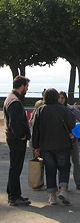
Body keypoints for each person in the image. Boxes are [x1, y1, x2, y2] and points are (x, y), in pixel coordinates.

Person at [32, 88, 76, 205]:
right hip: (63, 144)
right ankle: (63, 190)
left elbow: (35, 129)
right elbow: (72, 124)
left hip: (46, 146)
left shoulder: (40, 110)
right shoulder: (63, 109)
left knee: (50, 170)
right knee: (64, 168)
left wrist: (35, 146)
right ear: (57, 97)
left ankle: (52, 196)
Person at [3, 76, 32, 206]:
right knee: (15, 168)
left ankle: (14, 194)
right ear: (21, 86)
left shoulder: (10, 98)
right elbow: (14, 123)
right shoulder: (15, 102)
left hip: (12, 138)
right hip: (16, 140)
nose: (27, 88)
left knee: (14, 167)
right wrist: (21, 136)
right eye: (26, 86)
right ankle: (14, 197)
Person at [58, 91, 80, 190]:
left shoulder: (71, 109)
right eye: (59, 97)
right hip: (62, 140)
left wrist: (79, 121)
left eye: (63, 97)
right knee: (63, 163)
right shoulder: (55, 109)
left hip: (73, 139)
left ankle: (78, 182)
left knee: (76, 161)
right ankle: (63, 184)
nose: (61, 99)